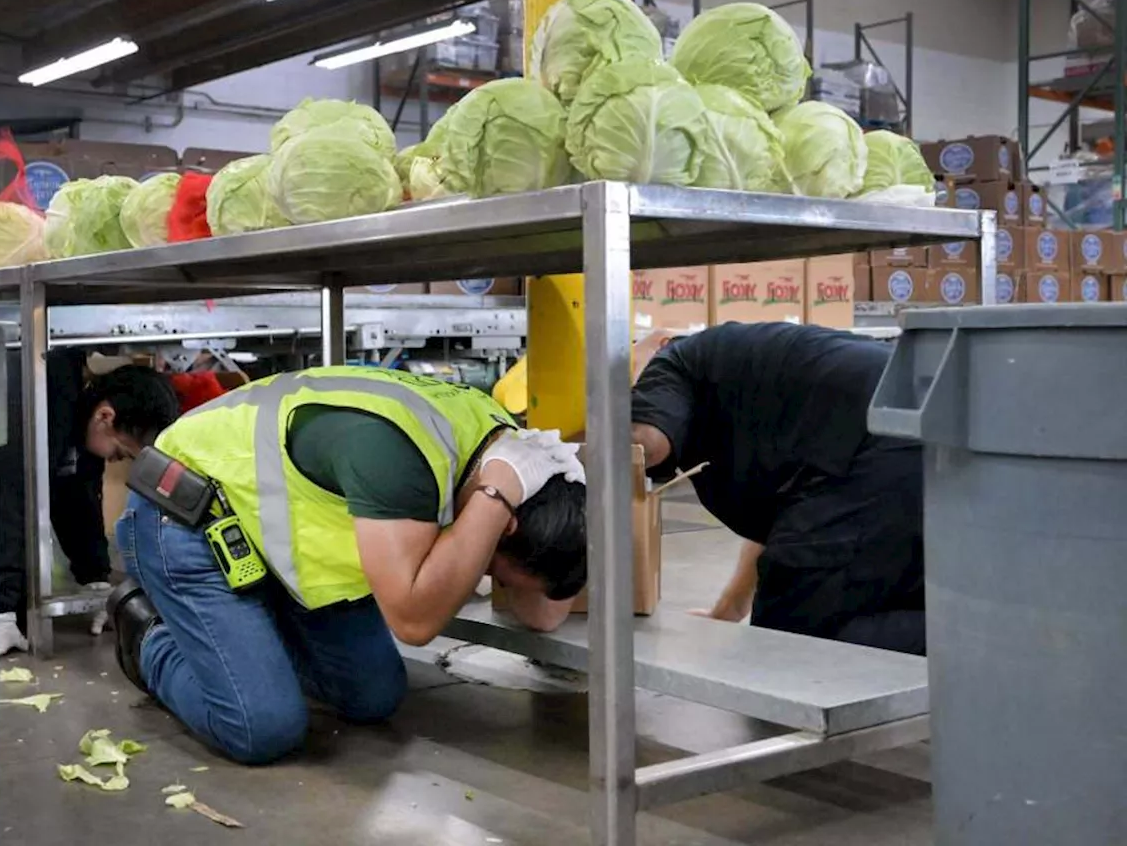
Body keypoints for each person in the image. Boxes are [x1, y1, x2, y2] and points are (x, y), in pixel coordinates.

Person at [106, 365, 587, 764]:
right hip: (186, 518)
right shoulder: (408, 464)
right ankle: (148, 636)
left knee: (372, 696)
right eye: (494, 572)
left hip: (272, 542)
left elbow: (542, 611)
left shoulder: (503, 452)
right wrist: (496, 495)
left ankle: (247, 639)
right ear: (502, 524)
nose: (484, 578)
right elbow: (414, 621)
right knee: (262, 727)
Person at [630, 323, 925, 656]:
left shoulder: (670, 359)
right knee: (899, 582)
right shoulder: (742, 373)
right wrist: (727, 611)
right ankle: (968, 623)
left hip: (876, 445)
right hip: (926, 432)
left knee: (792, 644)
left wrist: (610, 414)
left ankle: (976, 642)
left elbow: (647, 445)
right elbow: (779, 521)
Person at [0, 350, 180, 654]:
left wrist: (95, 578)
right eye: (120, 453)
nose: (116, 460)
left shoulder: (82, 416)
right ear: (105, 416)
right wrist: (1, 607)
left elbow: (77, 491)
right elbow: (10, 495)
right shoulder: (41, 392)